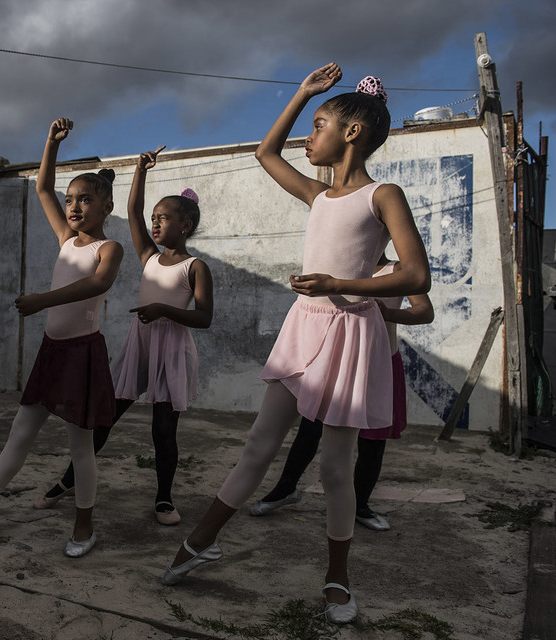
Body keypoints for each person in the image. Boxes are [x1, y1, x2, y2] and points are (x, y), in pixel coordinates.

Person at [160, 65, 431, 626]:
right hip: (303, 324)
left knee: (335, 468)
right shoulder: (317, 194)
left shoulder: (384, 195)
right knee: (259, 444)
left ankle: (337, 577)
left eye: (321, 123)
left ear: (352, 133)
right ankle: (201, 538)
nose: (311, 135)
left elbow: (416, 276)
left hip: (349, 334)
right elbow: (266, 153)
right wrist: (304, 93)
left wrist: (342, 285)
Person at [0, 117, 123, 558]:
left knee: (80, 447)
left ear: (107, 207)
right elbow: (42, 187)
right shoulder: (66, 238)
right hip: (52, 352)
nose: (74, 206)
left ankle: (84, 526)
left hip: (82, 353)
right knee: (20, 433)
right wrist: (50, 143)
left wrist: (43, 300)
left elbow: (98, 285)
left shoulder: (108, 249)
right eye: (71, 199)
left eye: (85, 200)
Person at [33, 145, 214, 527]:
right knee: (104, 419)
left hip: (172, 348)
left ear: (185, 225)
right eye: (154, 218)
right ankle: (68, 481)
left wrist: (163, 310)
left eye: (163, 218)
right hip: (141, 343)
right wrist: (140, 169)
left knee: (163, 430)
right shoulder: (148, 255)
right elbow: (131, 211)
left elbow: (205, 318)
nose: (154, 223)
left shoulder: (196, 267)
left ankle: (164, 498)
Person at [250, 255, 434, 530]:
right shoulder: (340, 265)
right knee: (310, 428)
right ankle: (286, 488)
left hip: (379, 363)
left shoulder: (400, 271)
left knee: (372, 441)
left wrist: (386, 313)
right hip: (335, 360)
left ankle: (360, 505)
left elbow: (424, 312)